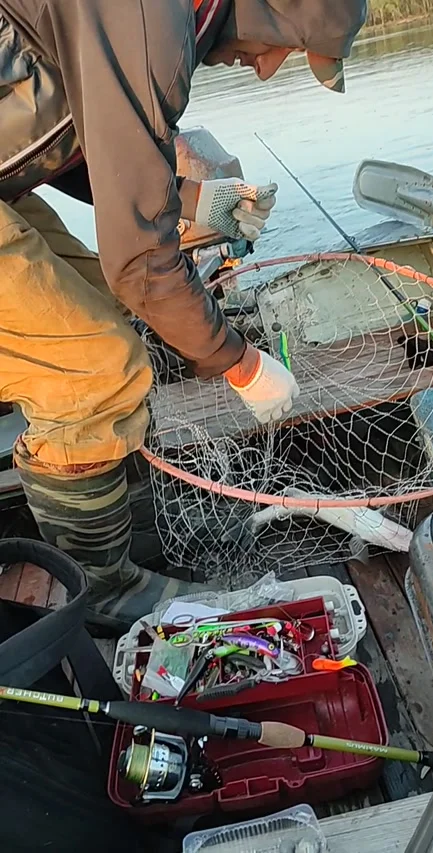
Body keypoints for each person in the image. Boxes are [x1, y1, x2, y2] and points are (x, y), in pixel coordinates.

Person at [0, 0, 366, 631]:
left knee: (101, 308)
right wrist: (243, 366)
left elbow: (83, 139)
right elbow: (142, 265)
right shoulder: (150, 21)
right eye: (288, 52)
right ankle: (103, 588)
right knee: (91, 367)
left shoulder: (155, 17)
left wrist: (194, 198)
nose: (263, 72)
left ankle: (132, 537)